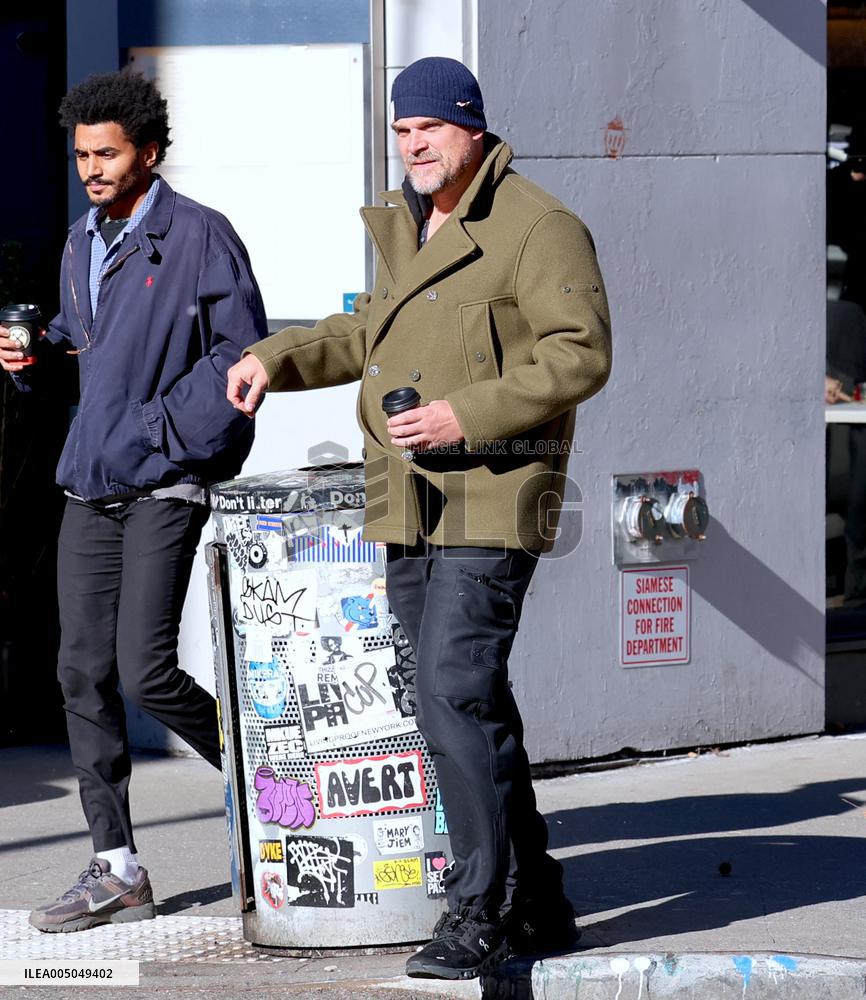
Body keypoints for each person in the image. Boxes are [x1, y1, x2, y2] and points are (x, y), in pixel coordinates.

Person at [226, 57, 611, 979]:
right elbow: (373, 334)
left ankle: (475, 908)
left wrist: (463, 414)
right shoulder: (409, 222)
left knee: (451, 688)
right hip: (406, 496)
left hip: (493, 492)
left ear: (473, 128)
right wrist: (278, 359)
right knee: (469, 698)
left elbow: (581, 354)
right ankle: (541, 896)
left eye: (430, 128)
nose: (414, 144)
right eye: (402, 130)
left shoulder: (540, 225)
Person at [0, 71, 268, 932]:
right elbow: (89, 349)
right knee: (80, 670)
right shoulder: (83, 240)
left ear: (148, 152)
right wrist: (34, 358)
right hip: (90, 483)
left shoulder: (201, 238)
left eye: (106, 153)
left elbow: (238, 362)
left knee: (144, 668)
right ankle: (115, 865)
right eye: (81, 155)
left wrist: (155, 432)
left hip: (163, 480)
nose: (91, 169)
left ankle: (266, 779)